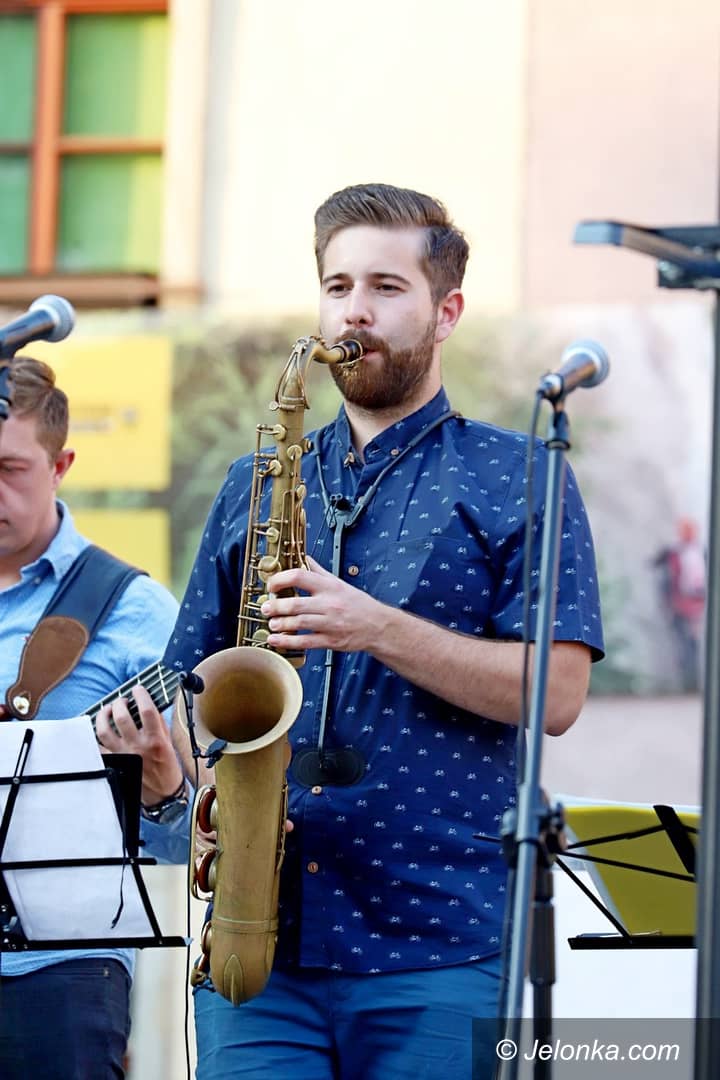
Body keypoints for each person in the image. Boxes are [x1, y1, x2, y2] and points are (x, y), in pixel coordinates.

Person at [164, 183, 604, 1079]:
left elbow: (558, 695)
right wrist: (199, 786)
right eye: (337, 286)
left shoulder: (521, 473)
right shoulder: (255, 483)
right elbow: (189, 688)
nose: (353, 311)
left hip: (439, 942)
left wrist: (375, 628)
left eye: (385, 287)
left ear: (447, 313)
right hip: (260, 943)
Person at [0, 356, 190, 1079]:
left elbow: (191, 843)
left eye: (10, 469)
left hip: (60, 974)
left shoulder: (138, 614)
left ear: (61, 466)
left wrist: (164, 790)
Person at [653, 517, 706, 692]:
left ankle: (695, 682)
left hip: (697, 606)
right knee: (682, 645)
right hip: (678, 605)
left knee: (693, 644)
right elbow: (657, 566)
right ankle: (687, 683)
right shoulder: (674, 552)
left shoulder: (700, 552)